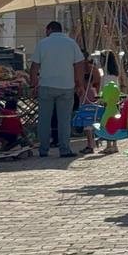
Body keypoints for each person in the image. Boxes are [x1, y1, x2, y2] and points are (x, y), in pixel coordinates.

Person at [30, 21, 86, 158]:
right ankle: (64, 149)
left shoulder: (42, 44)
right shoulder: (71, 43)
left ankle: (43, 150)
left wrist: (34, 84)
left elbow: (34, 67)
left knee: (44, 119)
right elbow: (79, 64)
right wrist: (80, 84)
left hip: (46, 85)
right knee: (64, 120)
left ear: (49, 30)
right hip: (66, 86)